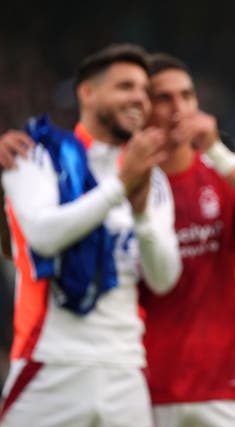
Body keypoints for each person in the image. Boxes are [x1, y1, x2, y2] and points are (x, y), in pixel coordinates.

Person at [0, 43, 181, 427]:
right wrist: (120, 186)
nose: (138, 99)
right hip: (49, 368)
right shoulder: (35, 155)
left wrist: (142, 210)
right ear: (87, 92)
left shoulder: (153, 179)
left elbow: (163, 277)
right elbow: (44, 236)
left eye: (144, 91)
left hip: (126, 371)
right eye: (125, 86)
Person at [139, 52, 235, 427]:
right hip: (141, 379)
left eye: (187, 96)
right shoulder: (121, 178)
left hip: (225, 376)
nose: (179, 108)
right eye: (165, 98)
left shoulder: (221, 175)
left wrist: (218, 154)